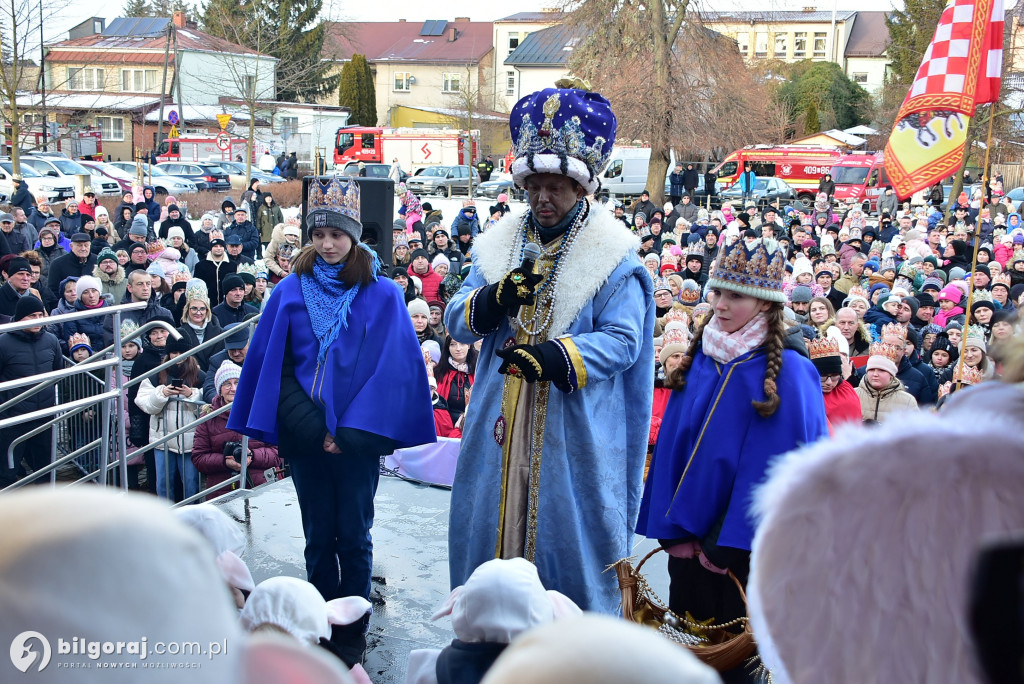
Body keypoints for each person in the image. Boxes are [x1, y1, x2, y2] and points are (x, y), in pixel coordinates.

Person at [444, 87, 655, 614]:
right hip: (498, 424)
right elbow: (457, 319)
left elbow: (624, 341)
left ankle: (573, 656)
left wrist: (559, 357)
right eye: (534, 185)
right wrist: (493, 299)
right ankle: (487, 637)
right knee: (488, 533)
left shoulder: (613, 257)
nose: (542, 197)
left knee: (569, 552)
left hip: (572, 431)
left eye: (556, 186)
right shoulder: (498, 243)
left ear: (581, 186)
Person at [228, 175, 435, 666]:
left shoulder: (382, 294)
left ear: (354, 234)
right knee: (319, 535)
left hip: (357, 444)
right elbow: (273, 370)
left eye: (336, 234)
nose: (326, 244)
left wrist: (348, 435)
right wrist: (315, 431)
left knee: (356, 535)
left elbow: (391, 370)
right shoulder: (288, 293)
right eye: (318, 234)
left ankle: (352, 634)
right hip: (307, 441)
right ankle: (319, 624)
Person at [637, 233, 828, 682]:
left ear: (764, 303)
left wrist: (720, 546)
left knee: (737, 661)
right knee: (690, 653)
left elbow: (777, 472)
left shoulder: (789, 372)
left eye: (736, 296)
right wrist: (674, 532)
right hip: (687, 543)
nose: (720, 304)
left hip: (740, 550)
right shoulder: (704, 357)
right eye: (717, 292)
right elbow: (674, 448)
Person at [193, 361, 281, 498]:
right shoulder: (208, 418)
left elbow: (277, 453)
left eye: (237, 382)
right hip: (222, 489)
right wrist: (225, 461)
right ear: (219, 389)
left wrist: (252, 455)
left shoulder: (261, 412)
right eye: (227, 384)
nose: (233, 388)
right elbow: (199, 458)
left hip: (261, 488)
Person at [0, 295, 63, 487]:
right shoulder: (3, 342)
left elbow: (57, 370)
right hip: (13, 419)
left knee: (44, 470)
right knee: (7, 473)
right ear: (19, 318)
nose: (38, 320)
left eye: (39, 314)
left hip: (43, 415)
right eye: (31, 316)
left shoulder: (51, 340)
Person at [134, 335, 205, 502]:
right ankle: (165, 518)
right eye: (173, 352)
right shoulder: (156, 374)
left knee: (191, 483)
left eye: (181, 352)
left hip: (190, 441)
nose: (177, 356)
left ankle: (192, 517)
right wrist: (162, 393)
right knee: (163, 484)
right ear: (168, 353)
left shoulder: (199, 375)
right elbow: (144, 403)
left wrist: (191, 395)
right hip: (162, 439)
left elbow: (207, 407)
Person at [856, 340, 919, 422]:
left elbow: (914, 431)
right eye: (871, 370)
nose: (875, 374)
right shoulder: (853, 395)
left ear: (891, 374)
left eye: (881, 370)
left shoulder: (907, 400)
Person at [810, 335, 861, 427]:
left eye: (834, 376)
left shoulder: (846, 392)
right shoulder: (806, 392)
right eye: (822, 377)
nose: (829, 382)